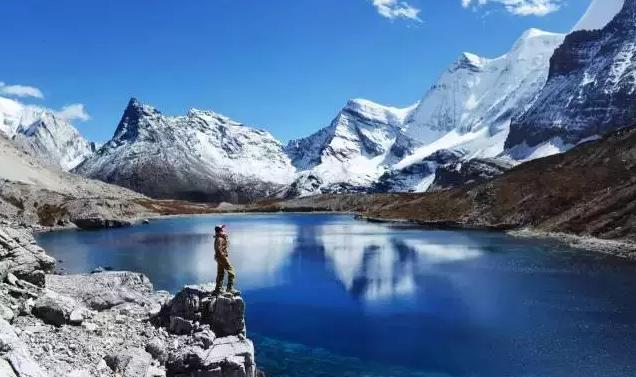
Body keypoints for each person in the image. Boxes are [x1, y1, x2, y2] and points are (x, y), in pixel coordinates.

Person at [213, 224, 239, 295]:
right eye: (222, 229)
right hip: (222, 257)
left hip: (219, 257)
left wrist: (225, 237)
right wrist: (223, 257)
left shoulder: (220, 237)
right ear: (220, 230)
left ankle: (218, 289)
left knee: (220, 273)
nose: (224, 230)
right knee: (231, 271)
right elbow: (218, 249)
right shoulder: (220, 238)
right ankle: (229, 288)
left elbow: (224, 246)